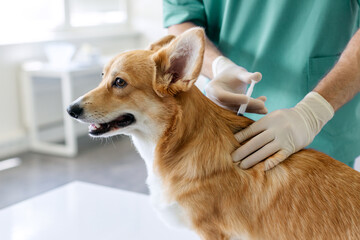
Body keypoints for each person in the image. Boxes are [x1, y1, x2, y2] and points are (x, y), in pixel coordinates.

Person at [163, 0, 360, 170]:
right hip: (223, 122)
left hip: (321, 126)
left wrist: (313, 113)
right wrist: (218, 66)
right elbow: (180, 18)